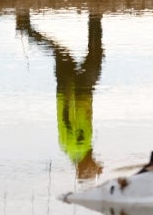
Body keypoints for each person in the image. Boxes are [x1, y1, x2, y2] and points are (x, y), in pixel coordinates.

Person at [15, 10, 105, 180]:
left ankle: (95, 16)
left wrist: (68, 89)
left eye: (93, 164)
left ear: (84, 166)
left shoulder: (78, 144)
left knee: (91, 56)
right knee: (62, 53)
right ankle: (25, 27)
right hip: (73, 91)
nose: (96, 160)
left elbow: (66, 118)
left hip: (76, 91)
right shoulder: (70, 148)